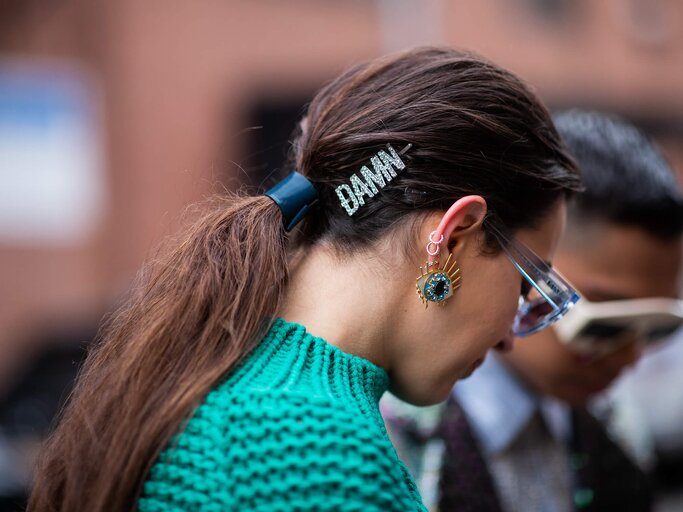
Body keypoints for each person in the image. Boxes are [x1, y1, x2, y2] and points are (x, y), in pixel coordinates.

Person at [28, 47, 582, 512]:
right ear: (453, 237)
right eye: (525, 284)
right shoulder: (316, 452)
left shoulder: (231, 378)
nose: (512, 336)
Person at [382, 110, 683, 512]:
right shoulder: (385, 441)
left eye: (655, 329)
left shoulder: (620, 429)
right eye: (606, 325)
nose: (630, 358)